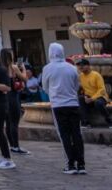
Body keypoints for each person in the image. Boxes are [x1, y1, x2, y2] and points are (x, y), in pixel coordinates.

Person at [43, 43, 85, 175]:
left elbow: (45, 87)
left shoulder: (48, 68)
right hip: (73, 104)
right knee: (76, 134)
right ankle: (81, 164)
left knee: (65, 135)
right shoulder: (72, 68)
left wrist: (55, 93)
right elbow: (77, 85)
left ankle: (70, 164)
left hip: (58, 105)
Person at [1, 49, 29, 154]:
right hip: (13, 96)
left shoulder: (1, 68)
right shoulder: (13, 67)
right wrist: (24, 69)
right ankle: (16, 146)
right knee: (14, 123)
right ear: (10, 56)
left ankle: (11, 145)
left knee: (8, 122)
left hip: (4, 97)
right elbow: (25, 79)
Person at [76, 59, 112, 129]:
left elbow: (102, 89)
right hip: (89, 97)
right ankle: (86, 123)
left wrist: (92, 98)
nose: (80, 67)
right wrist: (85, 97)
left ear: (88, 66)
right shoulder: (80, 76)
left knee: (98, 103)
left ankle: (110, 121)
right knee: (80, 99)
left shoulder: (96, 75)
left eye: (82, 65)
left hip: (101, 96)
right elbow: (82, 89)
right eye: (79, 65)